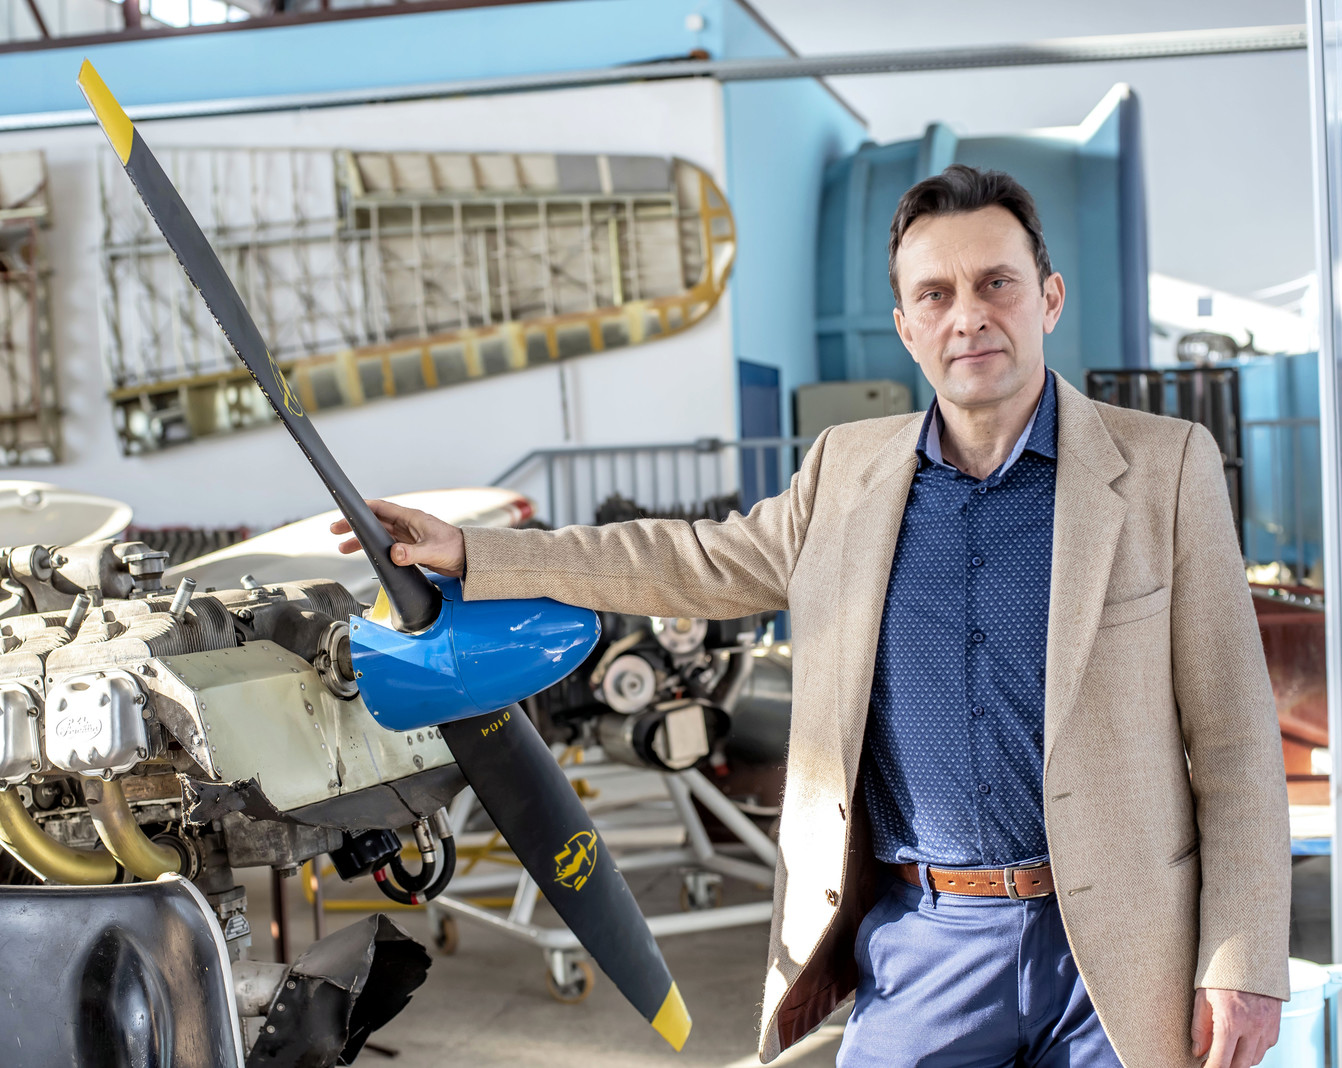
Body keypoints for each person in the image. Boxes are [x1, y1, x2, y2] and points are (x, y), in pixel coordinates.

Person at [332, 164, 1291, 1068]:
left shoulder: (1164, 467)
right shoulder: (846, 472)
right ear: (906, 328)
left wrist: (1244, 959)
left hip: (1121, 948)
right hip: (925, 942)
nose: (968, 316)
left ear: (1048, 297)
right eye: (936, 294)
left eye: (996, 284)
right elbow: (690, 560)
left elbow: (1236, 737)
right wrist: (481, 554)